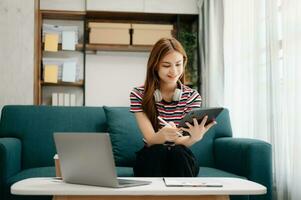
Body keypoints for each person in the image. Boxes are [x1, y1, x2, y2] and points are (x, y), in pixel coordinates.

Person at [129, 37, 216, 177]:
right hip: (152, 154)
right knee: (158, 151)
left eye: (178, 64)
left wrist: (194, 137)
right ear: (155, 66)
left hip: (180, 154)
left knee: (178, 152)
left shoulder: (192, 96)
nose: (174, 71)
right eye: (166, 65)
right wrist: (161, 136)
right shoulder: (138, 94)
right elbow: (151, 139)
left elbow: (182, 142)